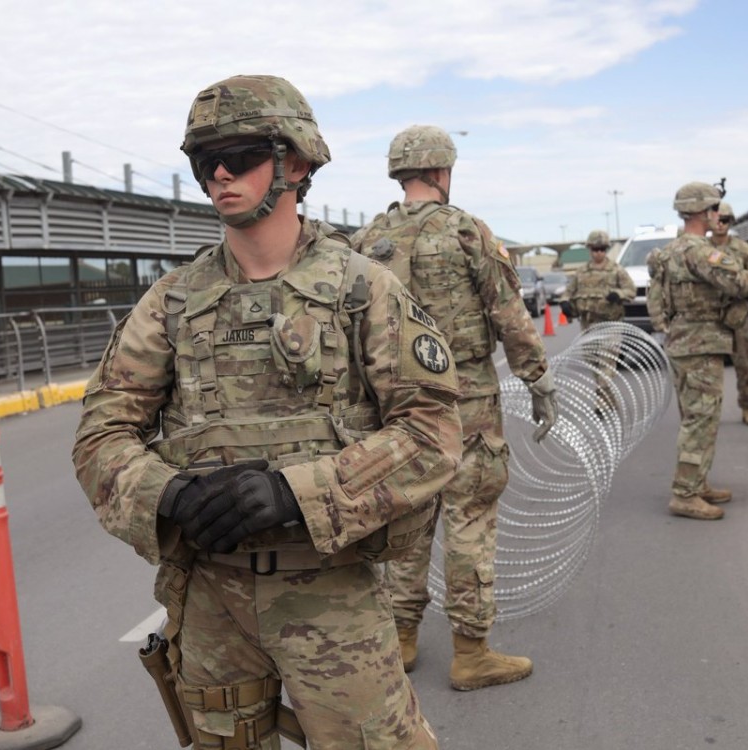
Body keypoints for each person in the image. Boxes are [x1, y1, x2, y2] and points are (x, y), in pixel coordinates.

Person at [73, 75, 467, 750]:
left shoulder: (362, 289)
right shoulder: (172, 301)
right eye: (204, 161)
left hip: (331, 596)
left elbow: (431, 433)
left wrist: (296, 492)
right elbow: (101, 433)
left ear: (297, 162)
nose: (220, 173)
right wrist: (166, 494)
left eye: (242, 154)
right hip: (209, 599)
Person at [350, 125, 558, 691]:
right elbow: (508, 313)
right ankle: (471, 653)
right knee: (469, 517)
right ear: (443, 172)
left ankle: (402, 639)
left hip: (393, 400)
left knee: (407, 519)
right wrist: (537, 379)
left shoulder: (366, 240)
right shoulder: (466, 231)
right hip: (464, 394)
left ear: (399, 172)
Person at [654, 182, 748, 520]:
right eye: (713, 210)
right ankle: (685, 493)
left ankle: (698, 481)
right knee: (700, 419)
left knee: (698, 417)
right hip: (701, 342)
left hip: (684, 341)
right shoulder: (699, 251)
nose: (717, 216)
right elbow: (737, 283)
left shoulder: (671, 250)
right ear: (702, 212)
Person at [709, 202, 748, 426]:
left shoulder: (743, 249)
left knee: (744, 365)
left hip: (739, 314)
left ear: (731, 222)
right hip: (710, 316)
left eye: (725, 220)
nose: (720, 224)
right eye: (717, 219)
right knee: (709, 369)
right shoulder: (702, 249)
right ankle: (709, 412)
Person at [561, 229, 635, 413]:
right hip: (588, 325)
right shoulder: (581, 272)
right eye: (595, 249)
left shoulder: (616, 271)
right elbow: (569, 291)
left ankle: (600, 406)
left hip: (610, 326)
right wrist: (564, 303)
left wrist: (617, 294)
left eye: (602, 249)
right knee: (595, 368)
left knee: (606, 368)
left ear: (606, 249)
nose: (598, 253)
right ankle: (609, 403)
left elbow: (631, 291)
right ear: (590, 250)